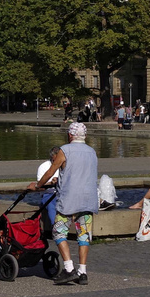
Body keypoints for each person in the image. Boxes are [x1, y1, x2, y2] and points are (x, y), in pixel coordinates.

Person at [33, 121, 100, 285]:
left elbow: (50, 172)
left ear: (70, 135)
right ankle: (82, 272)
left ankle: (69, 268)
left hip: (68, 199)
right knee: (83, 235)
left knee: (59, 232)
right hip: (88, 199)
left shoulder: (65, 150)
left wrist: (38, 185)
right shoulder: (92, 152)